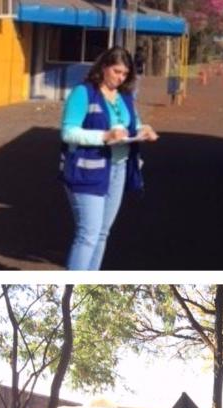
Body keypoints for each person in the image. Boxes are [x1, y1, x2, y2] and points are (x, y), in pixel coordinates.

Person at [59, 46, 158, 270]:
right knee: (88, 234)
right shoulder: (83, 93)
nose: (120, 78)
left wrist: (143, 130)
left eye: (125, 74)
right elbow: (68, 132)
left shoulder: (125, 97)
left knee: (103, 233)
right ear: (103, 67)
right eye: (116, 71)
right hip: (87, 170)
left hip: (119, 168)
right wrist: (104, 136)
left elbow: (134, 124)